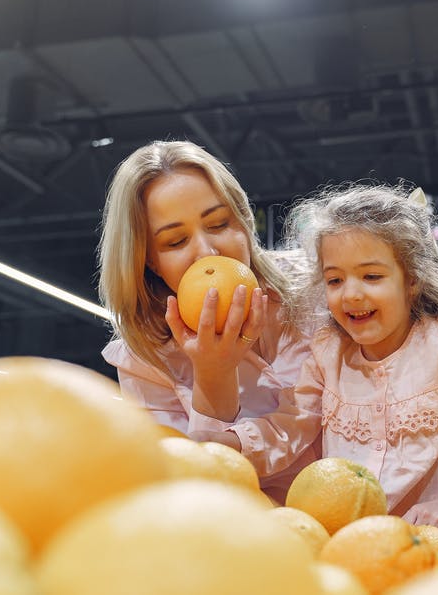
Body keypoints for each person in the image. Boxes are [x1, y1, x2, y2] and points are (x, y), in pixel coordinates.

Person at [221, 184, 438, 533]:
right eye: (335, 280)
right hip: (354, 549)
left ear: (412, 280)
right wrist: (228, 443)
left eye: (372, 276)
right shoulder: (326, 354)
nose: (351, 293)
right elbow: (288, 428)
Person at [97, 140, 318, 502]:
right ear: (148, 260)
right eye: (175, 241)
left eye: (219, 223)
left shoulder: (317, 285)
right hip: (250, 533)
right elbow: (189, 485)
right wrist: (213, 375)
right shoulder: (144, 359)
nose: (207, 251)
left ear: (244, 221)